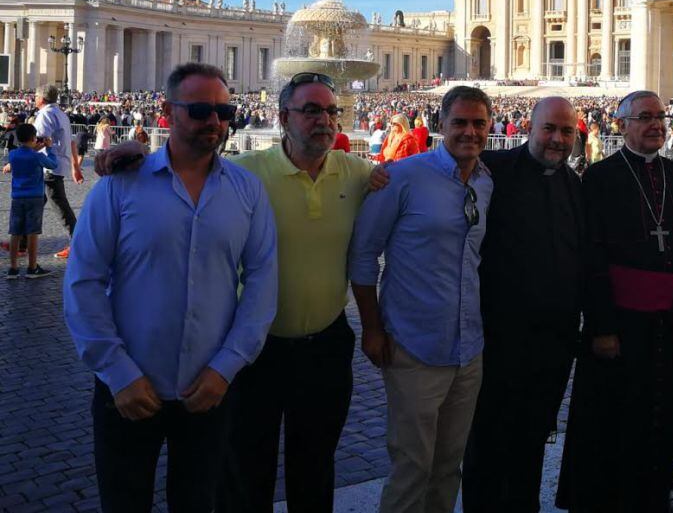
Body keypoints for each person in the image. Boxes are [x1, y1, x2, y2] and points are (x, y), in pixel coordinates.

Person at [99, 72, 389, 513]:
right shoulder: (244, 175)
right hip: (253, 351)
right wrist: (137, 153)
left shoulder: (359, 172)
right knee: (244, 471)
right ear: (283, 117)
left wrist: (472, 161)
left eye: (332, 111)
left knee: (316, 467)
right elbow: (189, 168)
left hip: (328, 345)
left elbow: (411, 177)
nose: (325, 121)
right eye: (311, 110)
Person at [63, 63, 279, 513]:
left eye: (224, 111)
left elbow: (261, 279)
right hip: (125, 384)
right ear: (167, 111)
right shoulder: (119, 187)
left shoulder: (248, 190)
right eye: (200, 110)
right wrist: (116, 371)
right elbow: (84, 281)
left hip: (210, 387)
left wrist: (227, 367)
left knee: (199, 502)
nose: (215, 122)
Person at [556, 90, 673, 513]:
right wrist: (602, 326)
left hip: (668, 320)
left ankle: (652, 493)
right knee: (612, 413)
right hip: (620, 321)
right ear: (623, 124)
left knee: (660, 409)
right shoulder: (601, 177)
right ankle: (605, 498)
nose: (655, 124)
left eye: (660, 117)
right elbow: (591, 256)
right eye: (645, 117)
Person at [350, 86, 495, 513]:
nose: (470, 132)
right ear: (440, 126)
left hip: (468, 348)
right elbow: (362, 254)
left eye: (479, 124)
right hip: (414, 344)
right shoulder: (401, 176)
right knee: (412, 464)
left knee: (449, 463)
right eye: (460, 123)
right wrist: (371, 328)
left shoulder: (486, 181)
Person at [462, 97, 586, 513]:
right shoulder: (491, 170)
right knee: (488, 436)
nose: (557, 139)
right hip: (497, 336)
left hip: (553, 341)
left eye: (566, 132)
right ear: (530, 128)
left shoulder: (574, 184)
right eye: (550, 129)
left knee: (534, 434)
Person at [32, 84, 83, 259]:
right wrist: (75, 165)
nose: (34, 99)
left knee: (60, 206)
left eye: (36, 96)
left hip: (48, 165)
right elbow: (71, 142)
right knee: (38, 203)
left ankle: (78, 243)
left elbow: (39, 140)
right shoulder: (61, 114)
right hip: (58, 163)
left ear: (42, 98)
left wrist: (21, 155)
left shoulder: (46, 114)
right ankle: (23, 240)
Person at [5, 124, 58, 278]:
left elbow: (24, 156)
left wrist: (32, 148)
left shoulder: (13, 154)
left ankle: (13, 268)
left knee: (15, 232)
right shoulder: (37, 156)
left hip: (17, 196)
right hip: (34, 197)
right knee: (32, 232)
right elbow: (53, 164)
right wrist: (48, 148)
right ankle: (32, 267)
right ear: (34, 138)